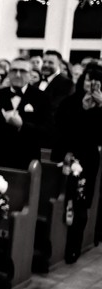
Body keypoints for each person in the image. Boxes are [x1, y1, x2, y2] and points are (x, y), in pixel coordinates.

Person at [51, 62, 102, 263]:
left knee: (81, 205)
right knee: (63, 201)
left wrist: (99, 108)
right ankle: (56, 246)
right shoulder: (69, 102)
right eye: (89, 80)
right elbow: (61, 129)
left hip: (88, 159)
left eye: (97, 82)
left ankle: (74, 247)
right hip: (67, 155)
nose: (91, 85)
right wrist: (82, 109)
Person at [0, 57, 51, 170]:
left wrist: (22, 125)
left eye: (23, 71)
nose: (18, 74)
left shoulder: (42, 98)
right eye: (14, 70)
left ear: (30, 75)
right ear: (9, 73)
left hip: (25, 160)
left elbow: (47, 131)